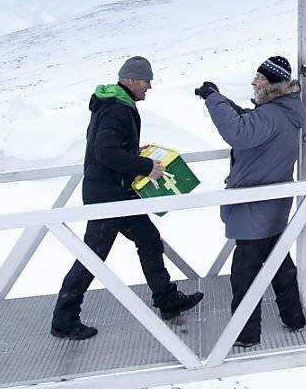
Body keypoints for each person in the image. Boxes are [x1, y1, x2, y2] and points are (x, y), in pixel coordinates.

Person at [51, 56, 204, 340]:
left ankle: (167, 300)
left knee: (148, 239)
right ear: (132, 80)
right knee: (92, 256)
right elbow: (105, 153)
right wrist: (146, 166)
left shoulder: (112, 103)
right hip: (107, 196)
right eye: (146, 81)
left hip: (118, 192)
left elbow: (110, 147)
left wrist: (133, 151)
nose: (149, 87)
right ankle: (64, 321)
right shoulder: (116, 109)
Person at [195, 55, 306, 348]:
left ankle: (246, 335)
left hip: (254, 207)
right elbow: (248, 118)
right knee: (279, 263)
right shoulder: (283, 111)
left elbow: (238, 132)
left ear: (270, 84)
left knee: (245, 275)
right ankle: (294, 318)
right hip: (271, 206)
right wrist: (222, 98)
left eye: (258, 77)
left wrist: (213, 100)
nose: (254, 82)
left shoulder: (271, 115)